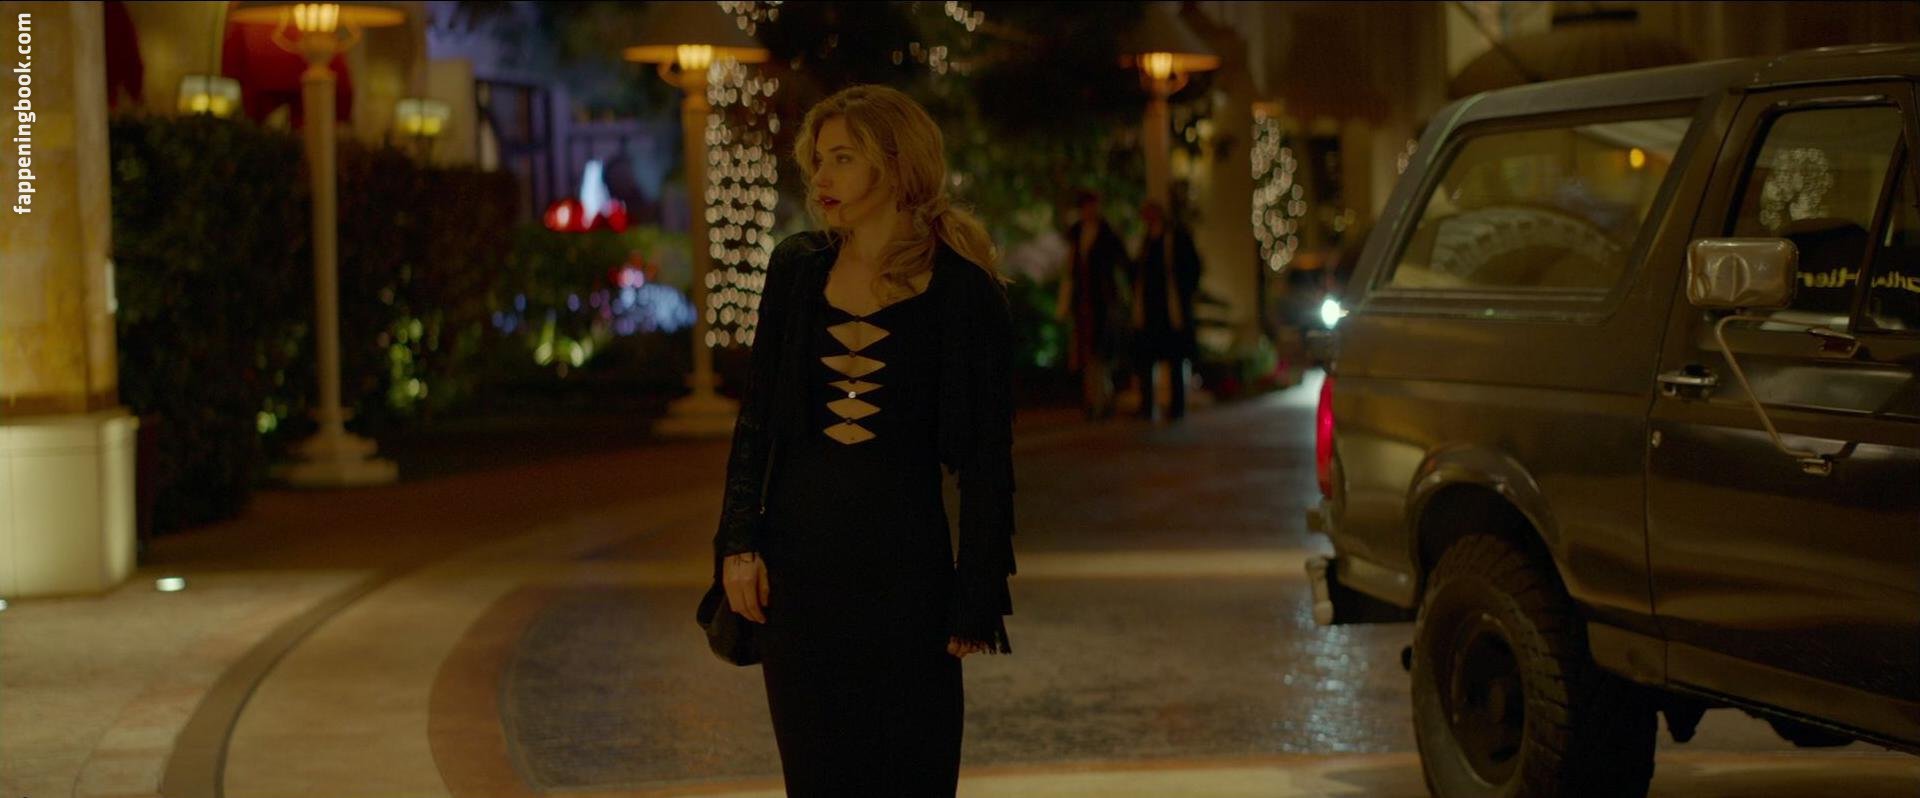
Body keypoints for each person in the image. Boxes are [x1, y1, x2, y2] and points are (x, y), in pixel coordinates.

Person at [711, 84, 1017, 798]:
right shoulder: (797, 268)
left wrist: (976, 592)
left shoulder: (965, 293)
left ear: (897, 163)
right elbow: (756, 420)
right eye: (818, 160)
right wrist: (738, 543)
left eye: (843, 158)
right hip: (798, 578)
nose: (822, 177)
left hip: (907, 579)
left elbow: (986, 461)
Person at [1055, 189, 1129, 418]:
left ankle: (1102, 399)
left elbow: (1121, 262)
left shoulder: (1107, 233)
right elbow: (1071, 269)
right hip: (1083, 302)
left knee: (1100, 353)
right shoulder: (1077, 233)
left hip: (1102, 302)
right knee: (1086, 353)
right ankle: (1094, 400)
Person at [1127, 199, 1202, 421]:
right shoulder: (1145, 241)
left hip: (1170, 311)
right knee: (1147, 359)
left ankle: (1177, 407)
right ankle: (1147, 405)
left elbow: (1192, 267)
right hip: (1150, 310)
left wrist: (1185, 293)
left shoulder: (1176, 238)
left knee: (1175, 359)